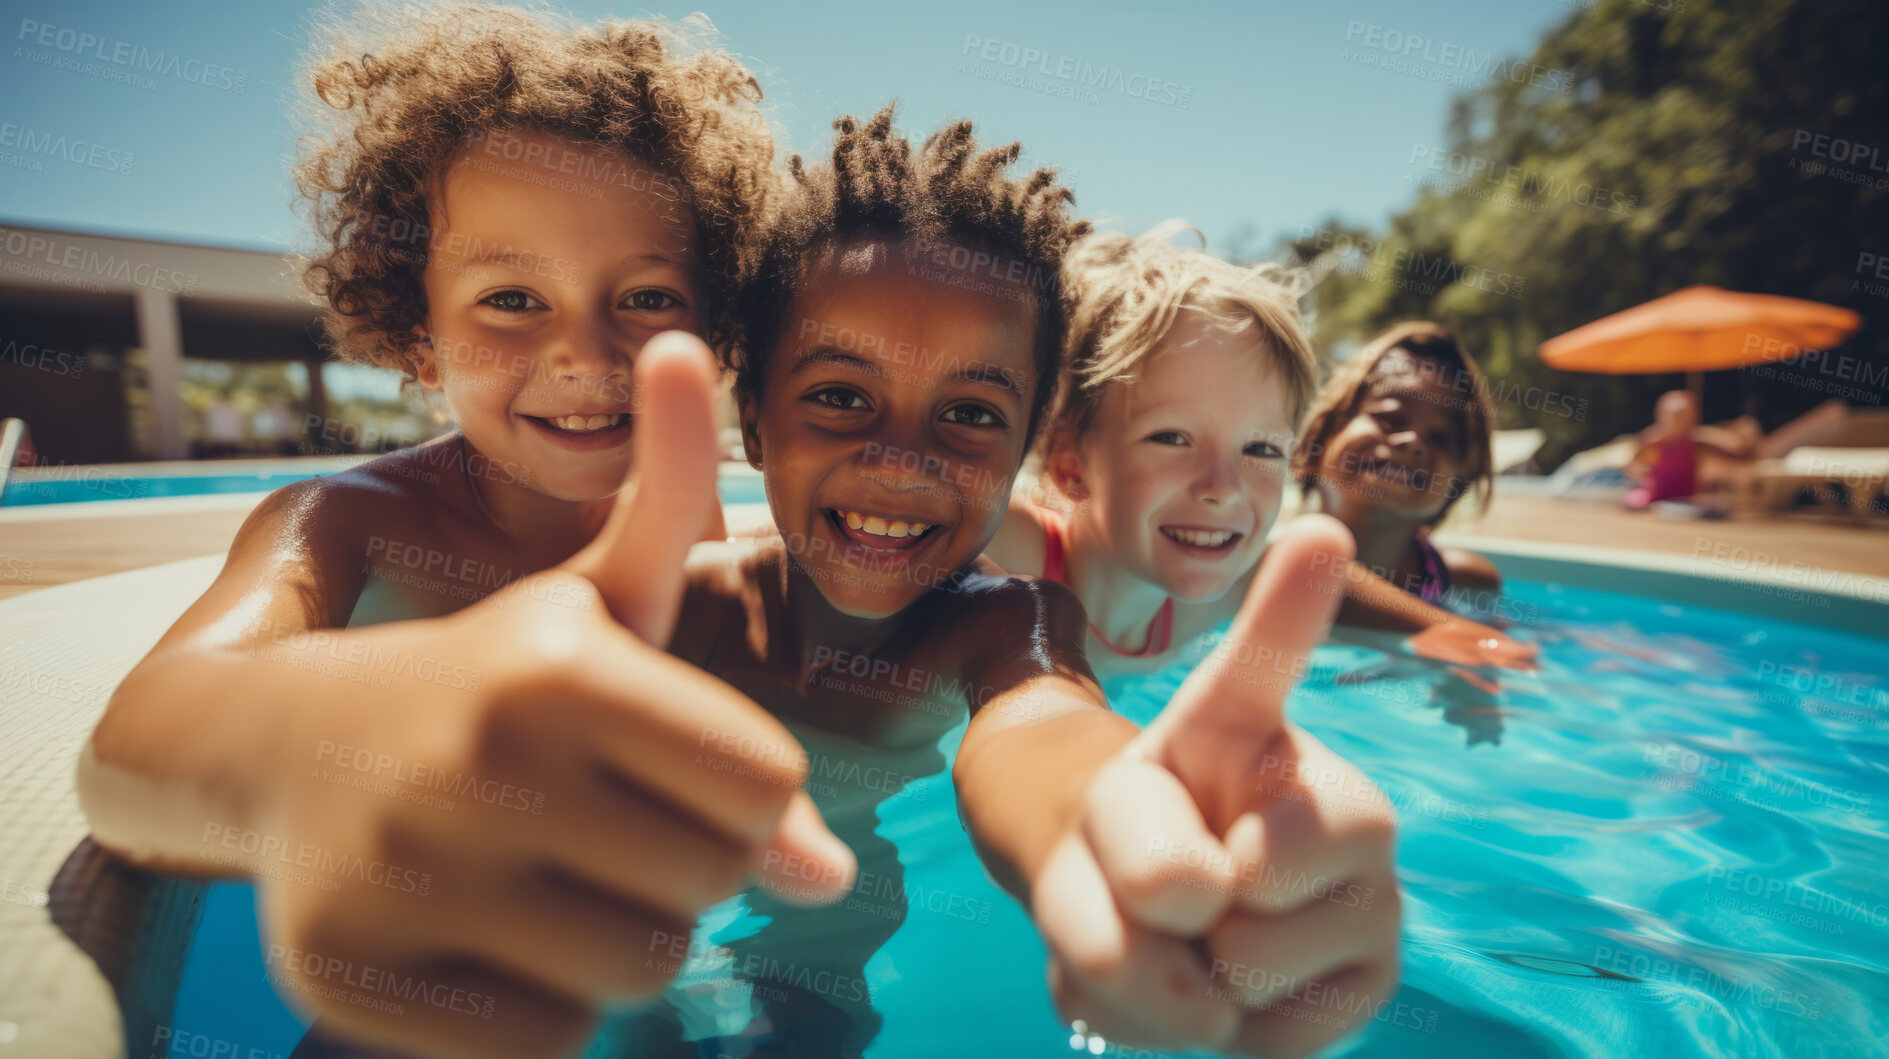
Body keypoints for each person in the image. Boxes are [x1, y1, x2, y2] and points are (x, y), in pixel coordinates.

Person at [592, 105, 1401, 1059]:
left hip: (844, 873)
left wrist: (1097, 820)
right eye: (841, 396)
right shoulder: (682, 603)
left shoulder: (1002, 619)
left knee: (832, 961)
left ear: (1022, 449)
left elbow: (1044, 725)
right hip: (638, 869)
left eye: (969, 411)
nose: (901, 459)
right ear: (755, 422)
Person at [76, 5, 798, 1055]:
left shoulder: (687, 512)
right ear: (419, 339)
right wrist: (314, 746)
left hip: (636, 953)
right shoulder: (345, 524)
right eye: (511, 298)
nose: (585, 353)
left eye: (645, 296)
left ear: (715, 322)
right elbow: (131, 744)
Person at [986, 237, 1534, 683]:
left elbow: (1324, 577)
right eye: (1172, 437)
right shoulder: (1015, 553)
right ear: (1071, 466)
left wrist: (1471, 644)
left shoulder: (1223, 581)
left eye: (1260, 448)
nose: (1223, 487)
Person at [1294, 322, 1504, 609]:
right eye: (1389, 417)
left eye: (1440, 438)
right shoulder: (1265, 555)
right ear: (1320, 439)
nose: (1414, 442)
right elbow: (1309, 571)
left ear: (1458, 484)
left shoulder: (1467, 582)